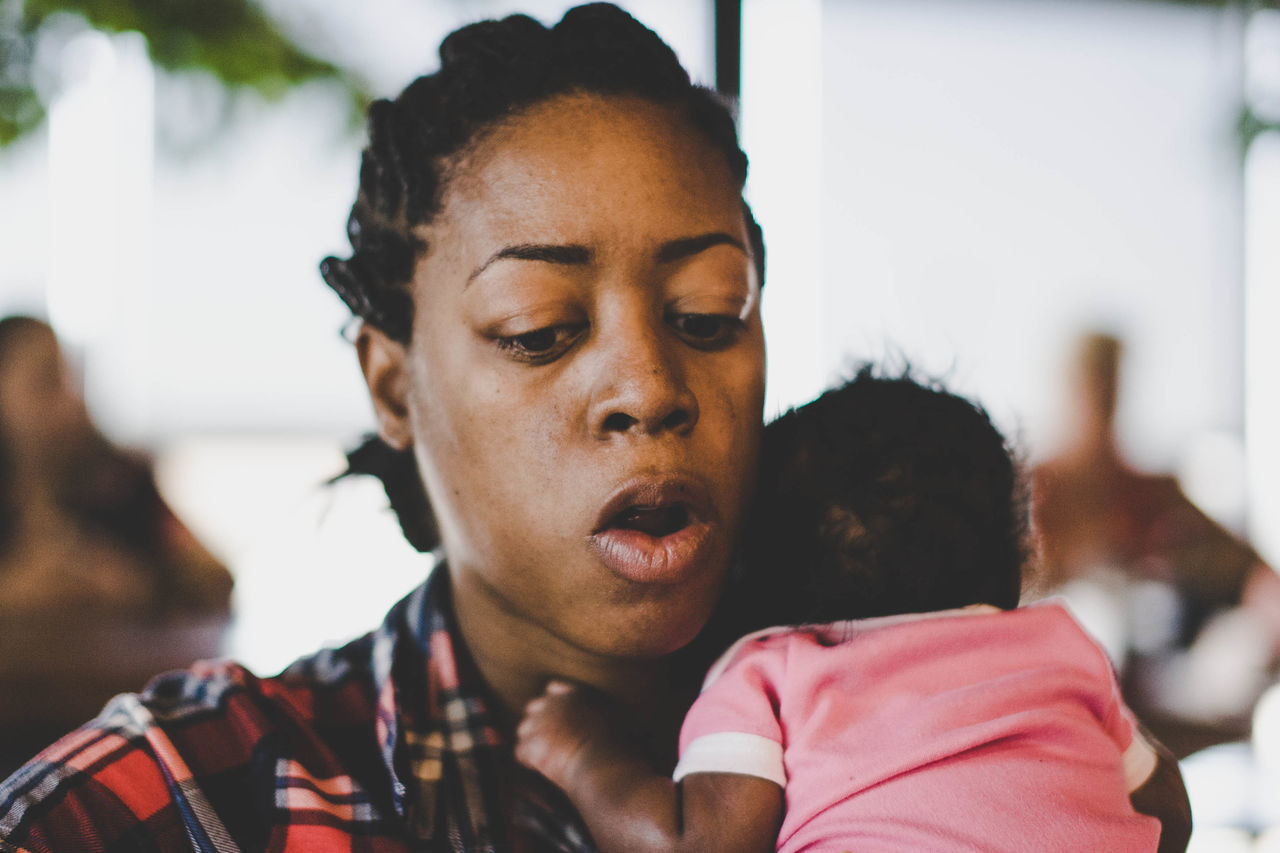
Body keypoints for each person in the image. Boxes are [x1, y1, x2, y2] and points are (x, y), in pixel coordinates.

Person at [0, 6, 1187, 851]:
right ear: (394, 387)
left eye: (708, 314)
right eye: (536, 327)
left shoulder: (954, 721)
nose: (648, 388)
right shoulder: (174, 805)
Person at [515, 367, 1190, 853]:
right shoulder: (1060, 646)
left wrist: (581, 750)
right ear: (1016, 559)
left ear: (756, 569)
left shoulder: (772, 672)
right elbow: (1169, 814)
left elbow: (697, 841)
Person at [1031, 331, 1280, 739]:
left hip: (1152, 708)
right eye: (1091, 383)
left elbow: (1253, 576)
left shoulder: (1152, 494)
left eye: (1109, 383)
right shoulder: (1031, 495)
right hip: (1060, 708)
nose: (1101, 398)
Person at [0, 315, 232, 619]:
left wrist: (128, 582)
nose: (71, 401)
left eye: (71, 379)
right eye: (47, 382)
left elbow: (215, 576)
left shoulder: (116, 478)